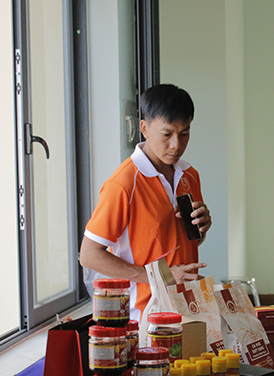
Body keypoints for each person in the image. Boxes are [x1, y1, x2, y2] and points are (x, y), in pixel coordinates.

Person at [80, 83, 212, 323]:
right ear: (144, 128)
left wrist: (202, 228)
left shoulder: (190, 175)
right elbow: (89, 255)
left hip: (189, 308)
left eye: (185, 134)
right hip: (144, 317)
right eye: (167, 134)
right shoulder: (123, 184)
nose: (176, 145)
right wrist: (158, 277)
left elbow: (180, 241)